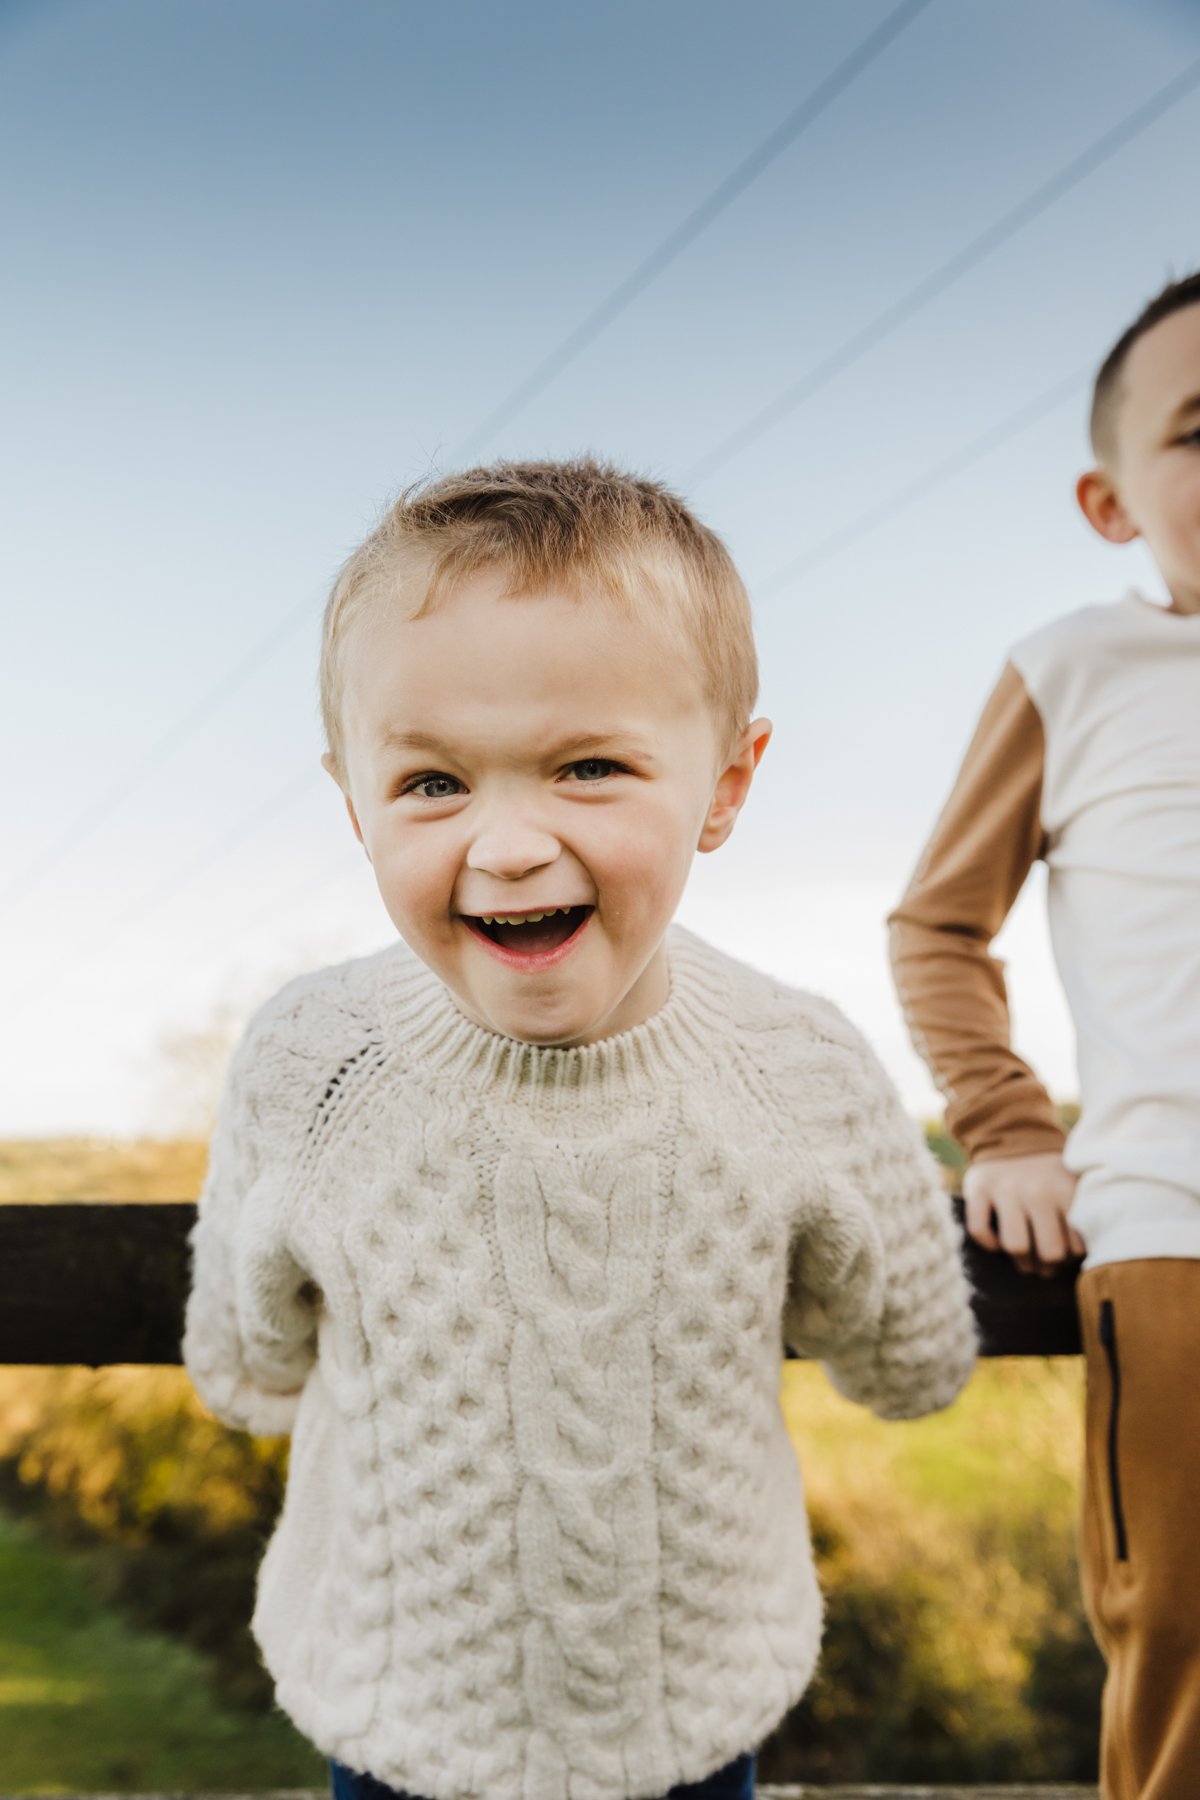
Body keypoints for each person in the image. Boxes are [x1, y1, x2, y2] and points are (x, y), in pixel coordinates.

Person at [183, 457, 977, 1800]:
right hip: (394, 1728)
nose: (504, 844)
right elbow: (905, 1356)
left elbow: (249, 1366)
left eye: (589, 767)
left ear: (727, 783)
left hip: (691, 1729)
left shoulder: (803, 1067)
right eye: (432, 783)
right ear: (352, 802)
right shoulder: (308, 1064)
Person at [888, 274, 1200, 1799]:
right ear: (1110, 500)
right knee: (1187, 1644)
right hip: (1175, 1242)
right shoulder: (1075, 670)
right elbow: (938, 924)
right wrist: (1009, 1126)